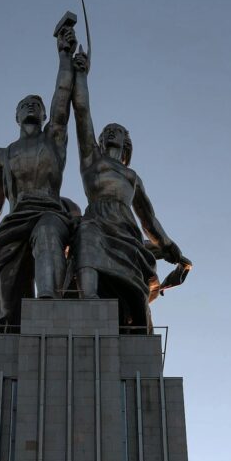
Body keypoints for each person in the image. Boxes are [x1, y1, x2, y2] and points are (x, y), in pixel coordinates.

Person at [0, 19, 79, 332]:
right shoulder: (2, 155)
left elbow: (63, 95)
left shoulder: (54, 139)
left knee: (48, 234)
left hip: (49, 211)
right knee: (6, 295)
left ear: (45, 114)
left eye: (37, 104)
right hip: (14, 221)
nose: (32, 106)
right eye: (25, 104)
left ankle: (50, 303)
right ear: (17, 115)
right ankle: (10, 329)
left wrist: (64, 55)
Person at [70, 51, 191, 331]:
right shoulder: (91, 160)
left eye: (118, 130)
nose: (111, 132)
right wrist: (81, 76)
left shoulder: (132, 176)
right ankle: (88, 304)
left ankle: (135, 322)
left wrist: (169, 246)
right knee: (86, 235)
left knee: (136, 293)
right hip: (97, 221)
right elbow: (83, 113)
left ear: (126, 143)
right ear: (99, 140)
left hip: (126, 231)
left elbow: (149, 220)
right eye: (107, 131)